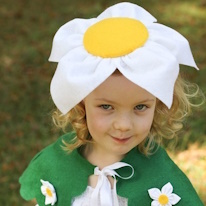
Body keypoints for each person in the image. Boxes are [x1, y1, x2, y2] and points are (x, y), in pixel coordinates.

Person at [19, 2, 204, 206]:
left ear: (159, 104)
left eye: (140, 107)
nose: (123, 125)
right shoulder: (56, 162)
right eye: (107, 107)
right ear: (81, 103)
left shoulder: (163, 180)